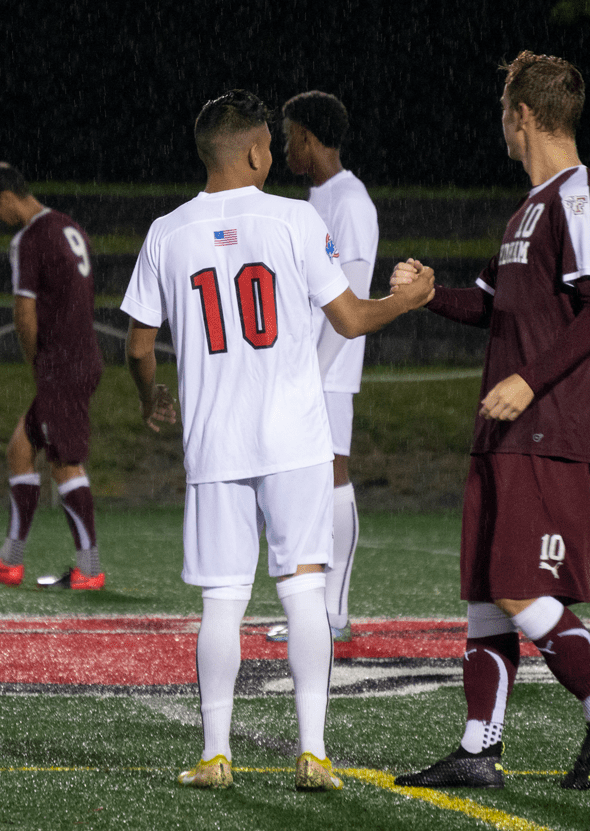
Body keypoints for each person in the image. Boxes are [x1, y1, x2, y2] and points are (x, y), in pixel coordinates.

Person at [121, 89, 433, 792]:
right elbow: (350, 319)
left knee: (223, 599)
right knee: (303, 590)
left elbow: (139, 345)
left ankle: (215, 754)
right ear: (257, 151)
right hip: (294, 438)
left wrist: (151, 397)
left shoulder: (166, 231)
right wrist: (407, 301)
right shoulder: (296, 218)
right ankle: (313, 752)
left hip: (215, 442)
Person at [391, 52, 590, 791]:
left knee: (516, 588)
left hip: (547, 428)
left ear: (522, 115)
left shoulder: (578, 196)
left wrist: (530, 382)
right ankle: (479, 748)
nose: (500, 123)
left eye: (503, 111)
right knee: (486, 595)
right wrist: (429, 296)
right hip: (506, 431)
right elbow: (490, 303)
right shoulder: (528, 206)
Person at [265, 90, 379, 645]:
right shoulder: (316, 201)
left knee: (332, 475)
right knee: (306, 483)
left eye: (290, 137)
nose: (286, 147)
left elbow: (351, 296)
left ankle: (333, 613)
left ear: (309, 138)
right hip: (305, 367)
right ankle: (315, 611)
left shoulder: (350, 201)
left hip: (325, 371)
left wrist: (312, 370)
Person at [0, 162, 105, 591]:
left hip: (62, 363)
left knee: (65, 462)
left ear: (6, 197)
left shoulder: (30, 237)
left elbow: (24, 312)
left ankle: (90, 570)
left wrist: (37, 362)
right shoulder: (67, 226)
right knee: (20, 450)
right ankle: (10, 561)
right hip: (81, 355)